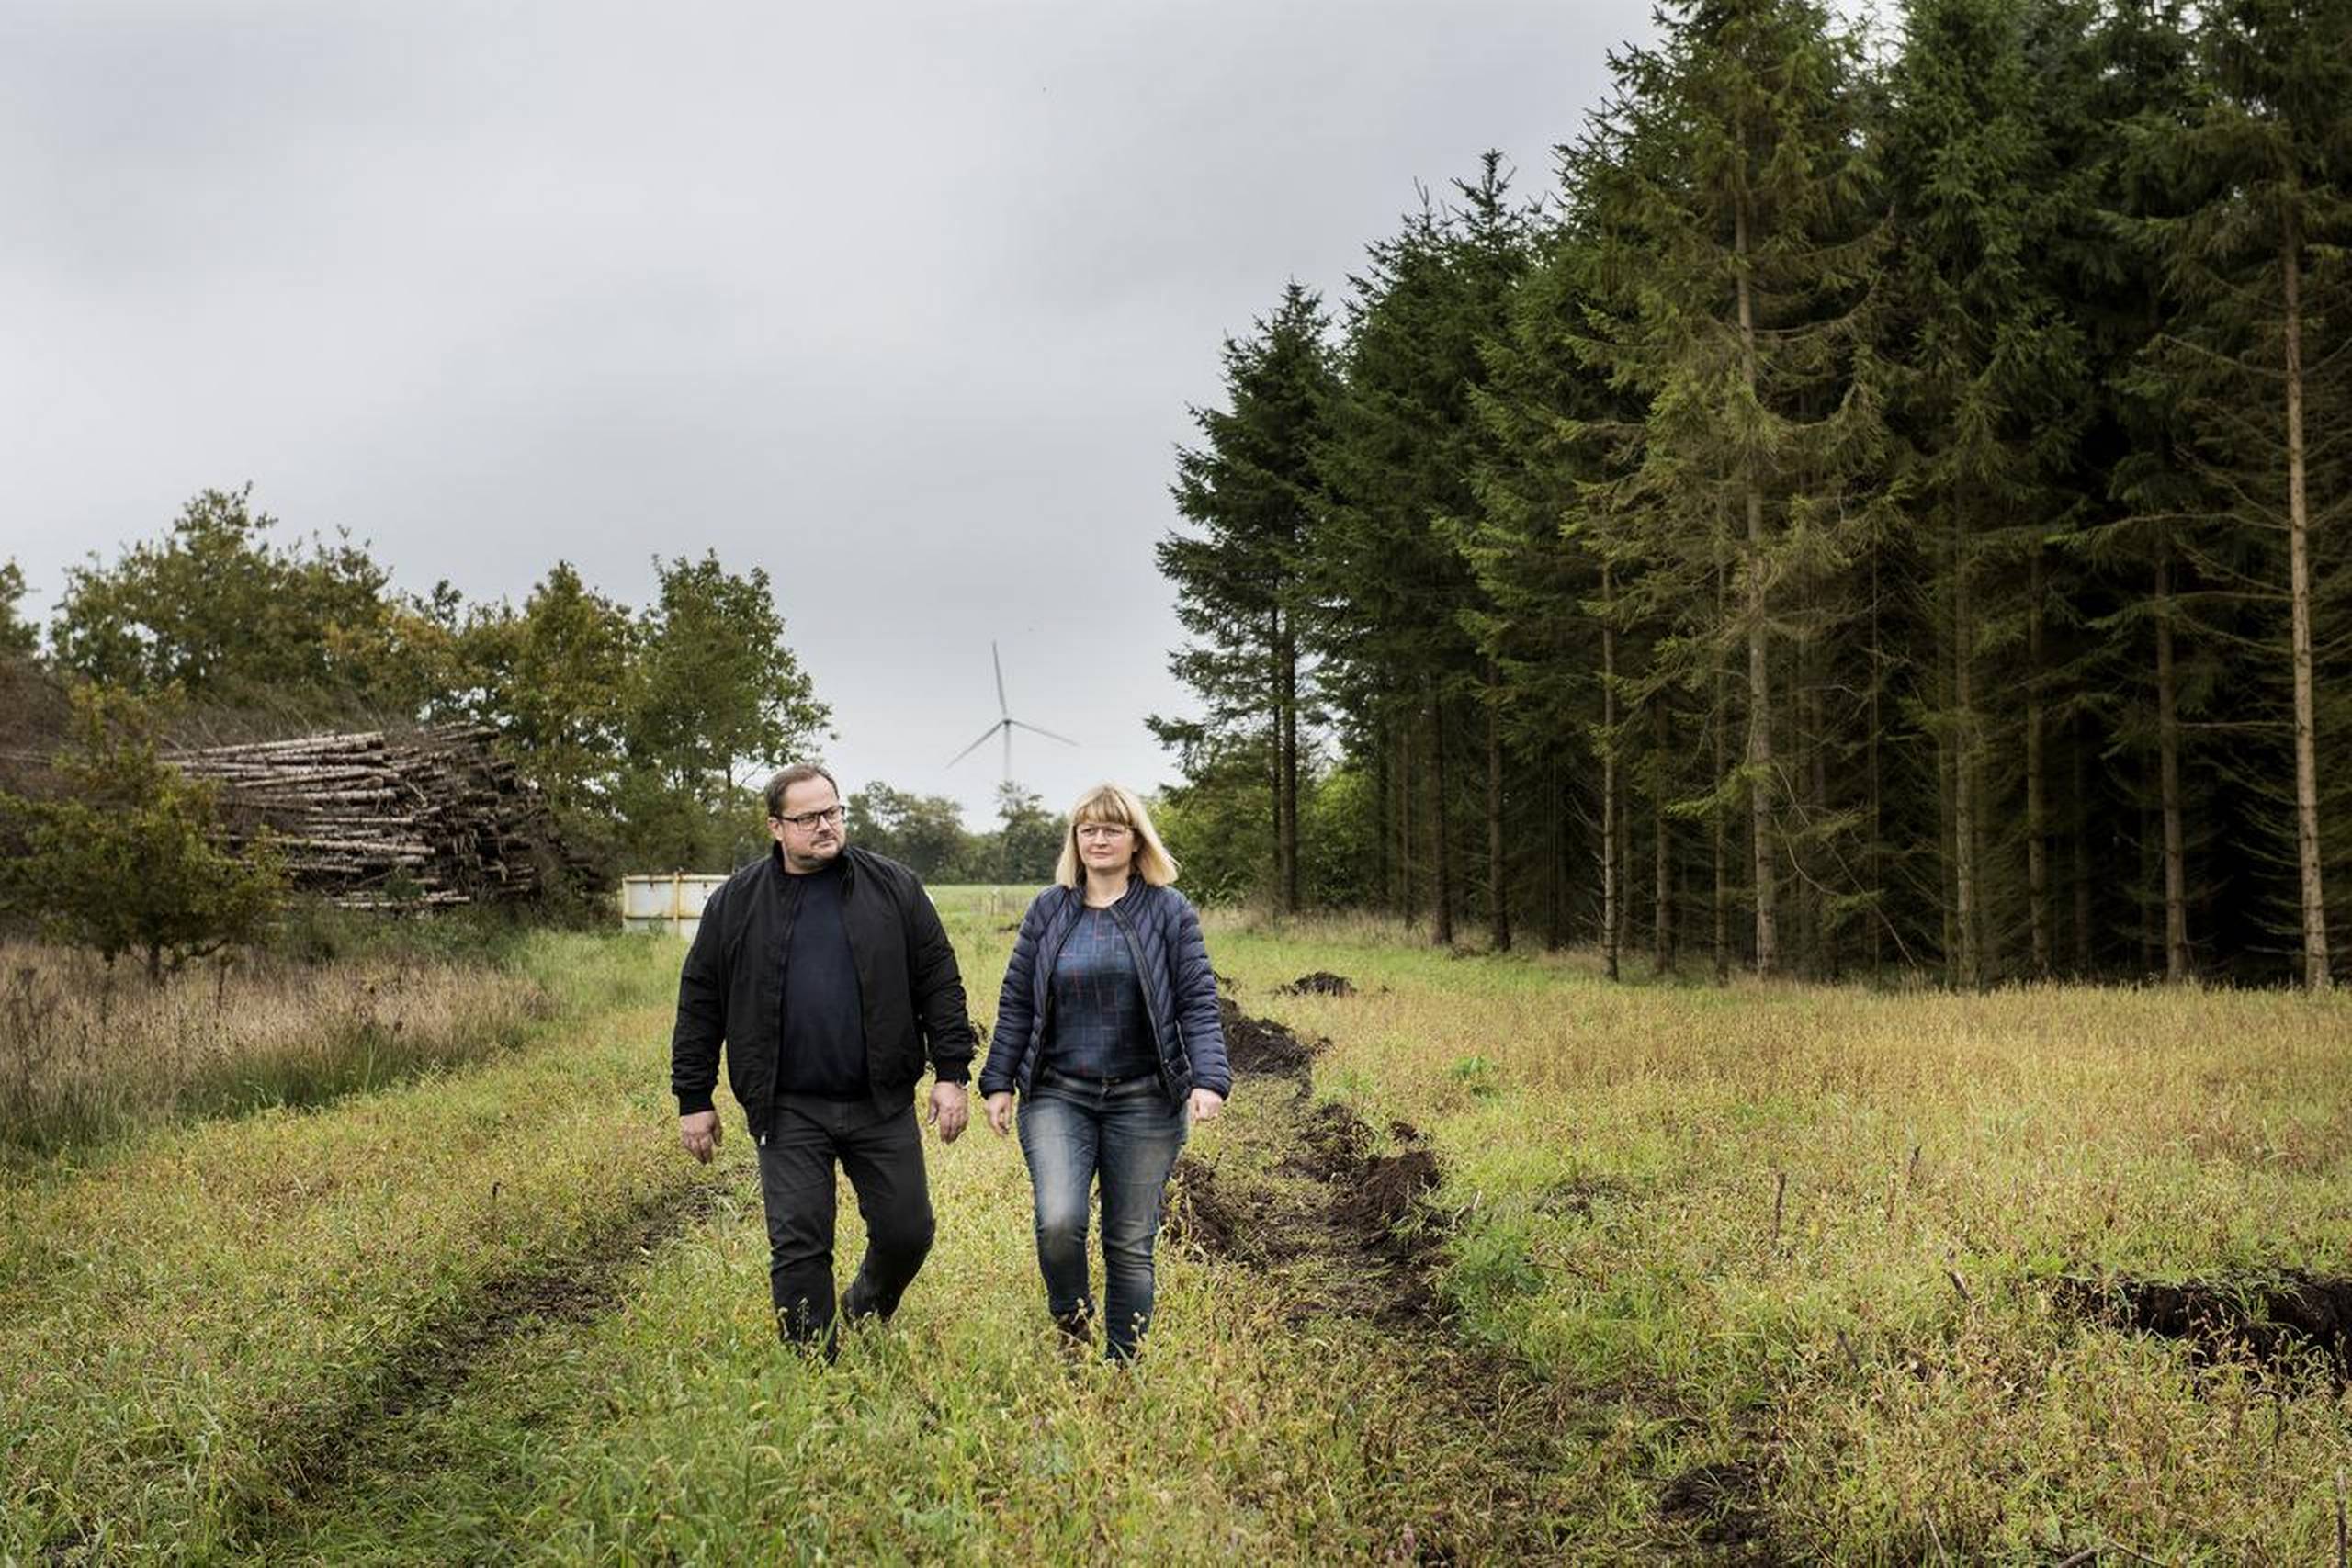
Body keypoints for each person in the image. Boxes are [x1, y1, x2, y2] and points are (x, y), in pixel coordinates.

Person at [671, 762, 975, 1356]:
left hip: (879, 1100)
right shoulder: (736, 903)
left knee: (908, 1229)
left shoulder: (894, 888)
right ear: (776, 826)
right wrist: (694, 1098)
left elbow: (939, 979)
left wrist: (952, 1073)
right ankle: (814, 1370)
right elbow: (700, 999)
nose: (825, 825)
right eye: (807, 817)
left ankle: (863, 1306)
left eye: (832, 811)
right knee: (800, 1242)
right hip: (787, 1106)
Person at [980, 783, 1231, 1360]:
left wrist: (1207, 1080)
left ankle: (1124, 1364)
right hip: (1057, 1095)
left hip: (1145, 1100)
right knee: (1059, 1222)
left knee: (1129, 1241)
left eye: (1112, 829)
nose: (1098, 839)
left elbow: (1196, 1000)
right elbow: (1017, 999)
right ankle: (1071, 1321)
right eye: (1088, 829)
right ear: (1075, 839)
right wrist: (997, 1081)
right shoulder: (1049, 908)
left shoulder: (1169, 911)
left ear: (1135, 838)